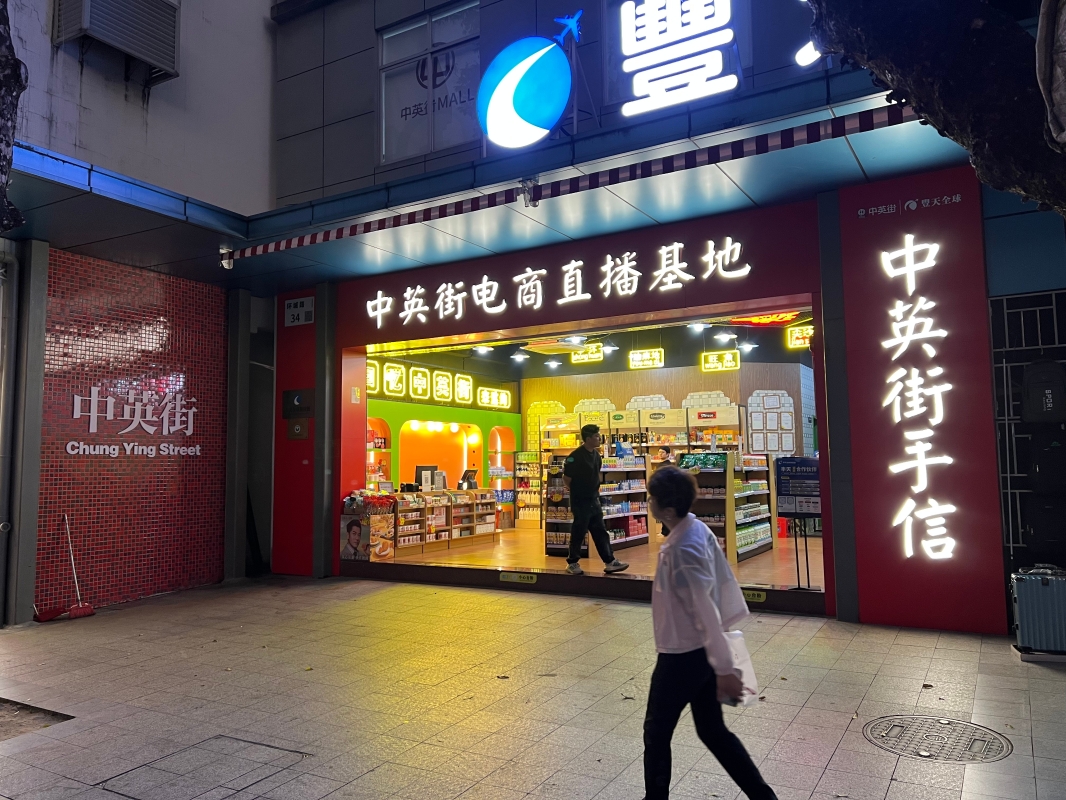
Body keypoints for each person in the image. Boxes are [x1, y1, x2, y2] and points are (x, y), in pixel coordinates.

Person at [643, 466, 777, 800]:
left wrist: (725, 668)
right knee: (713, 731)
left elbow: (705, 613)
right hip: (699, 653)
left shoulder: (682, 551)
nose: (648, 503)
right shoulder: (695, 528)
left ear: (667, 509)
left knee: (656, 732)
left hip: (682, 656)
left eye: (652, 498)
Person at [562, 424, 630, 576]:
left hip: (594, 499)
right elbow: (566, 478)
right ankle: (572, 563)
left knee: (600, 531)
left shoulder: (596, 455)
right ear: (588, 439)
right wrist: (578, 491)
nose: (600, 438)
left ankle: (610, 561)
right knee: (579, 531)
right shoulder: (575, 457)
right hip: (580, 500)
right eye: (596, 436)